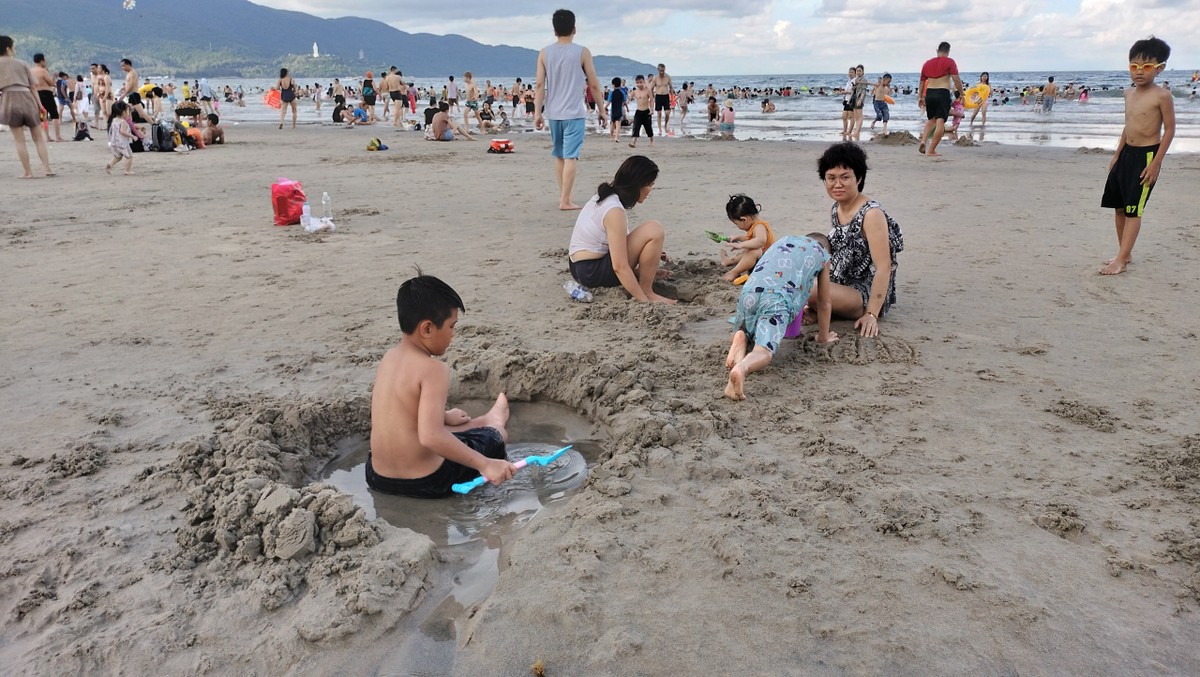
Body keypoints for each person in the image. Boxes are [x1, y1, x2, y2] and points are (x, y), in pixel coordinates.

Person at [367, 274, 516, 499]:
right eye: (451, 326)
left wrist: (444, 416)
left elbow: (400, 410)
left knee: (435, 429)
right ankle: (491, 423)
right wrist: (486, 464)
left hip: (378, 476)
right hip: (427, 481)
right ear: (427, 329)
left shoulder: (389, 358)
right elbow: (430, 437)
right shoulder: (434, 370)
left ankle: (478, 423)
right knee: (494, 437)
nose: (453, 334)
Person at [724, 235, 838, 401]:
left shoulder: (784, 241)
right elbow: (824, 302)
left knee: (747, 327)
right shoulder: (823, 255)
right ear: (826, 249)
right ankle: (742, 368)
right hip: (776, 300)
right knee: (763, 352)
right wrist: (823, 336)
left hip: (749, 291)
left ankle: (741, 336)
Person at [1099, 36, 1175, 276]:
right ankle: (1125, 252)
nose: (1139, 72)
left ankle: (1120, 260)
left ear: (1160, 68)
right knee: (1119, 207)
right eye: (1134, 66)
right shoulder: (1128, 94)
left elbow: (1170, 130)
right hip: (1127, 155)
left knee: (1134, 209)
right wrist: (1117, 154)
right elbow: (1128, 125)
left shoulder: (1162, 96)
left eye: (1147, 67)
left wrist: (1155, 163)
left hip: (1146, 157)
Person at [817, 142, 904, 336]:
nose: (837, 184)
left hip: (863, 295)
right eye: (831, 178)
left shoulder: (871, 214)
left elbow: (884, 267)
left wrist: (872, 314)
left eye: (845, 177)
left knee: (805, 287)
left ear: (859, 178)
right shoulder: (837, 208)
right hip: (841, 283)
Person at [567, 155, 674, 304]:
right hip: (592, 272)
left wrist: (648, 256)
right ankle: (647, 292)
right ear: (638, 185)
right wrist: (644, 301)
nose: (650, 190)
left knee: (650, 236)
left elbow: (616, 241)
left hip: (578, 266)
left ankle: (642, 277)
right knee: (654, 229)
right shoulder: (614, 211)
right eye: (650, 185)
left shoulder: (605, 196)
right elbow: (619, 266)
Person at [534, 9, 607, 210]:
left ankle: (564, 196)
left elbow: (540, 85)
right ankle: (565, 200)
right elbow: (594, 84)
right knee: (571, 156)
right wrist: (601, 110)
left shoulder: (544, 53)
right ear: (574, 28)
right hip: (574, 113)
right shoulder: (582, 52)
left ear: (554, 30)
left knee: (559, 155)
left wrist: (538, 112)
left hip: (554, 113)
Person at [0, 36, 54, 178]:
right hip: (27, 98)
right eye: (13, 47)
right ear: (8, 48)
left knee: (19, 140)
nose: (14, 49)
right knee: (38, 137)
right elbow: (33, 87)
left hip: (9, 99)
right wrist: (40, 105)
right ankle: (47, 168)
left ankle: (28, 172)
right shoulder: (22, 63)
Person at [917, 41, 964, 157]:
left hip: (930, 93)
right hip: (942, 93)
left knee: (931, 120)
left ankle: (923, 141)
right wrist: (962, 93)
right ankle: (931, 150)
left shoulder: (927, 63)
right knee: (940, 122)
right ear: (948, 52)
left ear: (937, 51)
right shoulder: (949, 61)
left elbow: (922, 82)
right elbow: (956, 79)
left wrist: (920, 97)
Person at [720, 194, 777, 283]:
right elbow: (751, 238)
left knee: (753, 250)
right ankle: (729, 260)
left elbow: (760, 241)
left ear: (744, 220)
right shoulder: (755, 225)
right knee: (748, 248)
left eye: (736, 223)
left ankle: (734, 272)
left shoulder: (759, 226)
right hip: (762, 261)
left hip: (767, 264)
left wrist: (740, 245)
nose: (737, 226)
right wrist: (737, 237)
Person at [32, 53, 65, 142]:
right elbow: (51, 83)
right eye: (44, 60)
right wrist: (54, 78)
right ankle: (58, 136)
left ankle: (47, 137)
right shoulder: (43, 71)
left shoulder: (31, 71)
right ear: (42, 60)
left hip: (36, 94)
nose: (45, 62)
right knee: (55, 115)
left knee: (43, 117)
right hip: (46, 93)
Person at [105, 101, 135, 175]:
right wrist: (132, 136)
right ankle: (127, 171)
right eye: (127, 111)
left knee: (118, 156)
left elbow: (112, 131)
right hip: (122, 143)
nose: (128, 113)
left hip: (114, 142)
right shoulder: (123, 122)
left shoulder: (114, 120)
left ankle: (110, 164)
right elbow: (123, 132)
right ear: (123, 112)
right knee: (129, 157)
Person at [628, 74, 653, 148]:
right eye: (637, 82)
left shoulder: (647, 91)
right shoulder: (635, 91)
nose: (639, 84)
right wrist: (628, 100)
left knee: (648, 127)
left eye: (640, 82)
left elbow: (651, 100)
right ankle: (633, 142)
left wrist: (652, 109)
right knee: (636, 127)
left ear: (644, 82)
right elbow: (629, 98)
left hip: (646, 111)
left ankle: (651, 140)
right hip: (638, 112)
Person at [651, 63, 673, 135]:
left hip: (666, 96)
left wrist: (672, 98)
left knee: (667, 113)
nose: (662, 72)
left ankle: (665, 125)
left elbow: (671, 87)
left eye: (663, 71)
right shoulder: (655, 78)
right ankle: (660, 129)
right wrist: (652, 97)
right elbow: (651, 88)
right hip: (658, 96)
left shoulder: (668, 77)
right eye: (660, 71)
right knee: (659, 113)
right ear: (658, 70)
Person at [849, 65, 869, 140]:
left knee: (859, 116)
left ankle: (857, 132)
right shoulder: (857, 79)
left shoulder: (863, 79)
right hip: (855, 98)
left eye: (860, 71)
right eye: (857, 71)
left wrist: (861, 99)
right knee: (856, 116)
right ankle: (856, 131)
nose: (858, 72)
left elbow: (863, 90)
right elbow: (854, 89)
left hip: (859, 98)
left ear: (863, 72)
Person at [608, 76, 626, 143]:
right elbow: (624, 101)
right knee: (618, 124)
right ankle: (617, 137)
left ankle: (611, 137)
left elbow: (608, 102)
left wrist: (603, 108)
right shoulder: (622, 93)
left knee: (612, 123)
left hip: (613, 110)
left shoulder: (611, 93)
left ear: (613, 85)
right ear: (620, 84)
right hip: (619, 110)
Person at [840, 66, 856, 140]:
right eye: (849, 72)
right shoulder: (849, 81)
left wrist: (843, 92)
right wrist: (842, 91)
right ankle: (845, 130)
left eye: (852, 72)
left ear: (855, 73)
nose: (850, 73)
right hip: (846, 100)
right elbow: (847, 90)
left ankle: (849, 131)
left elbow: (851, 91)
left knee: (851, 117)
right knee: (844, 117)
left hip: (851, 100)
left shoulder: (854, 81)